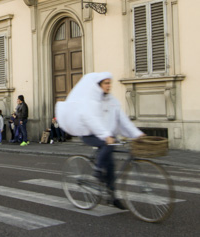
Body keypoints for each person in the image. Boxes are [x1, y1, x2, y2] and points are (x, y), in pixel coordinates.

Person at [56, 72, 145, 210]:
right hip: (89, 133)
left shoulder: (112, 101)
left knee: (110, 166)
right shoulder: (90, 100)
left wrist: (137, 134)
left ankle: (112, 197)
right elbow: (91, 120)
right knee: (107, 145)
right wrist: (105, 135)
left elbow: (123, 120)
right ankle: (97, 170)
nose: (109, 86)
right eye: (106, 83)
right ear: (99, 85)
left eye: (110, 83)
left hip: (104, 134)